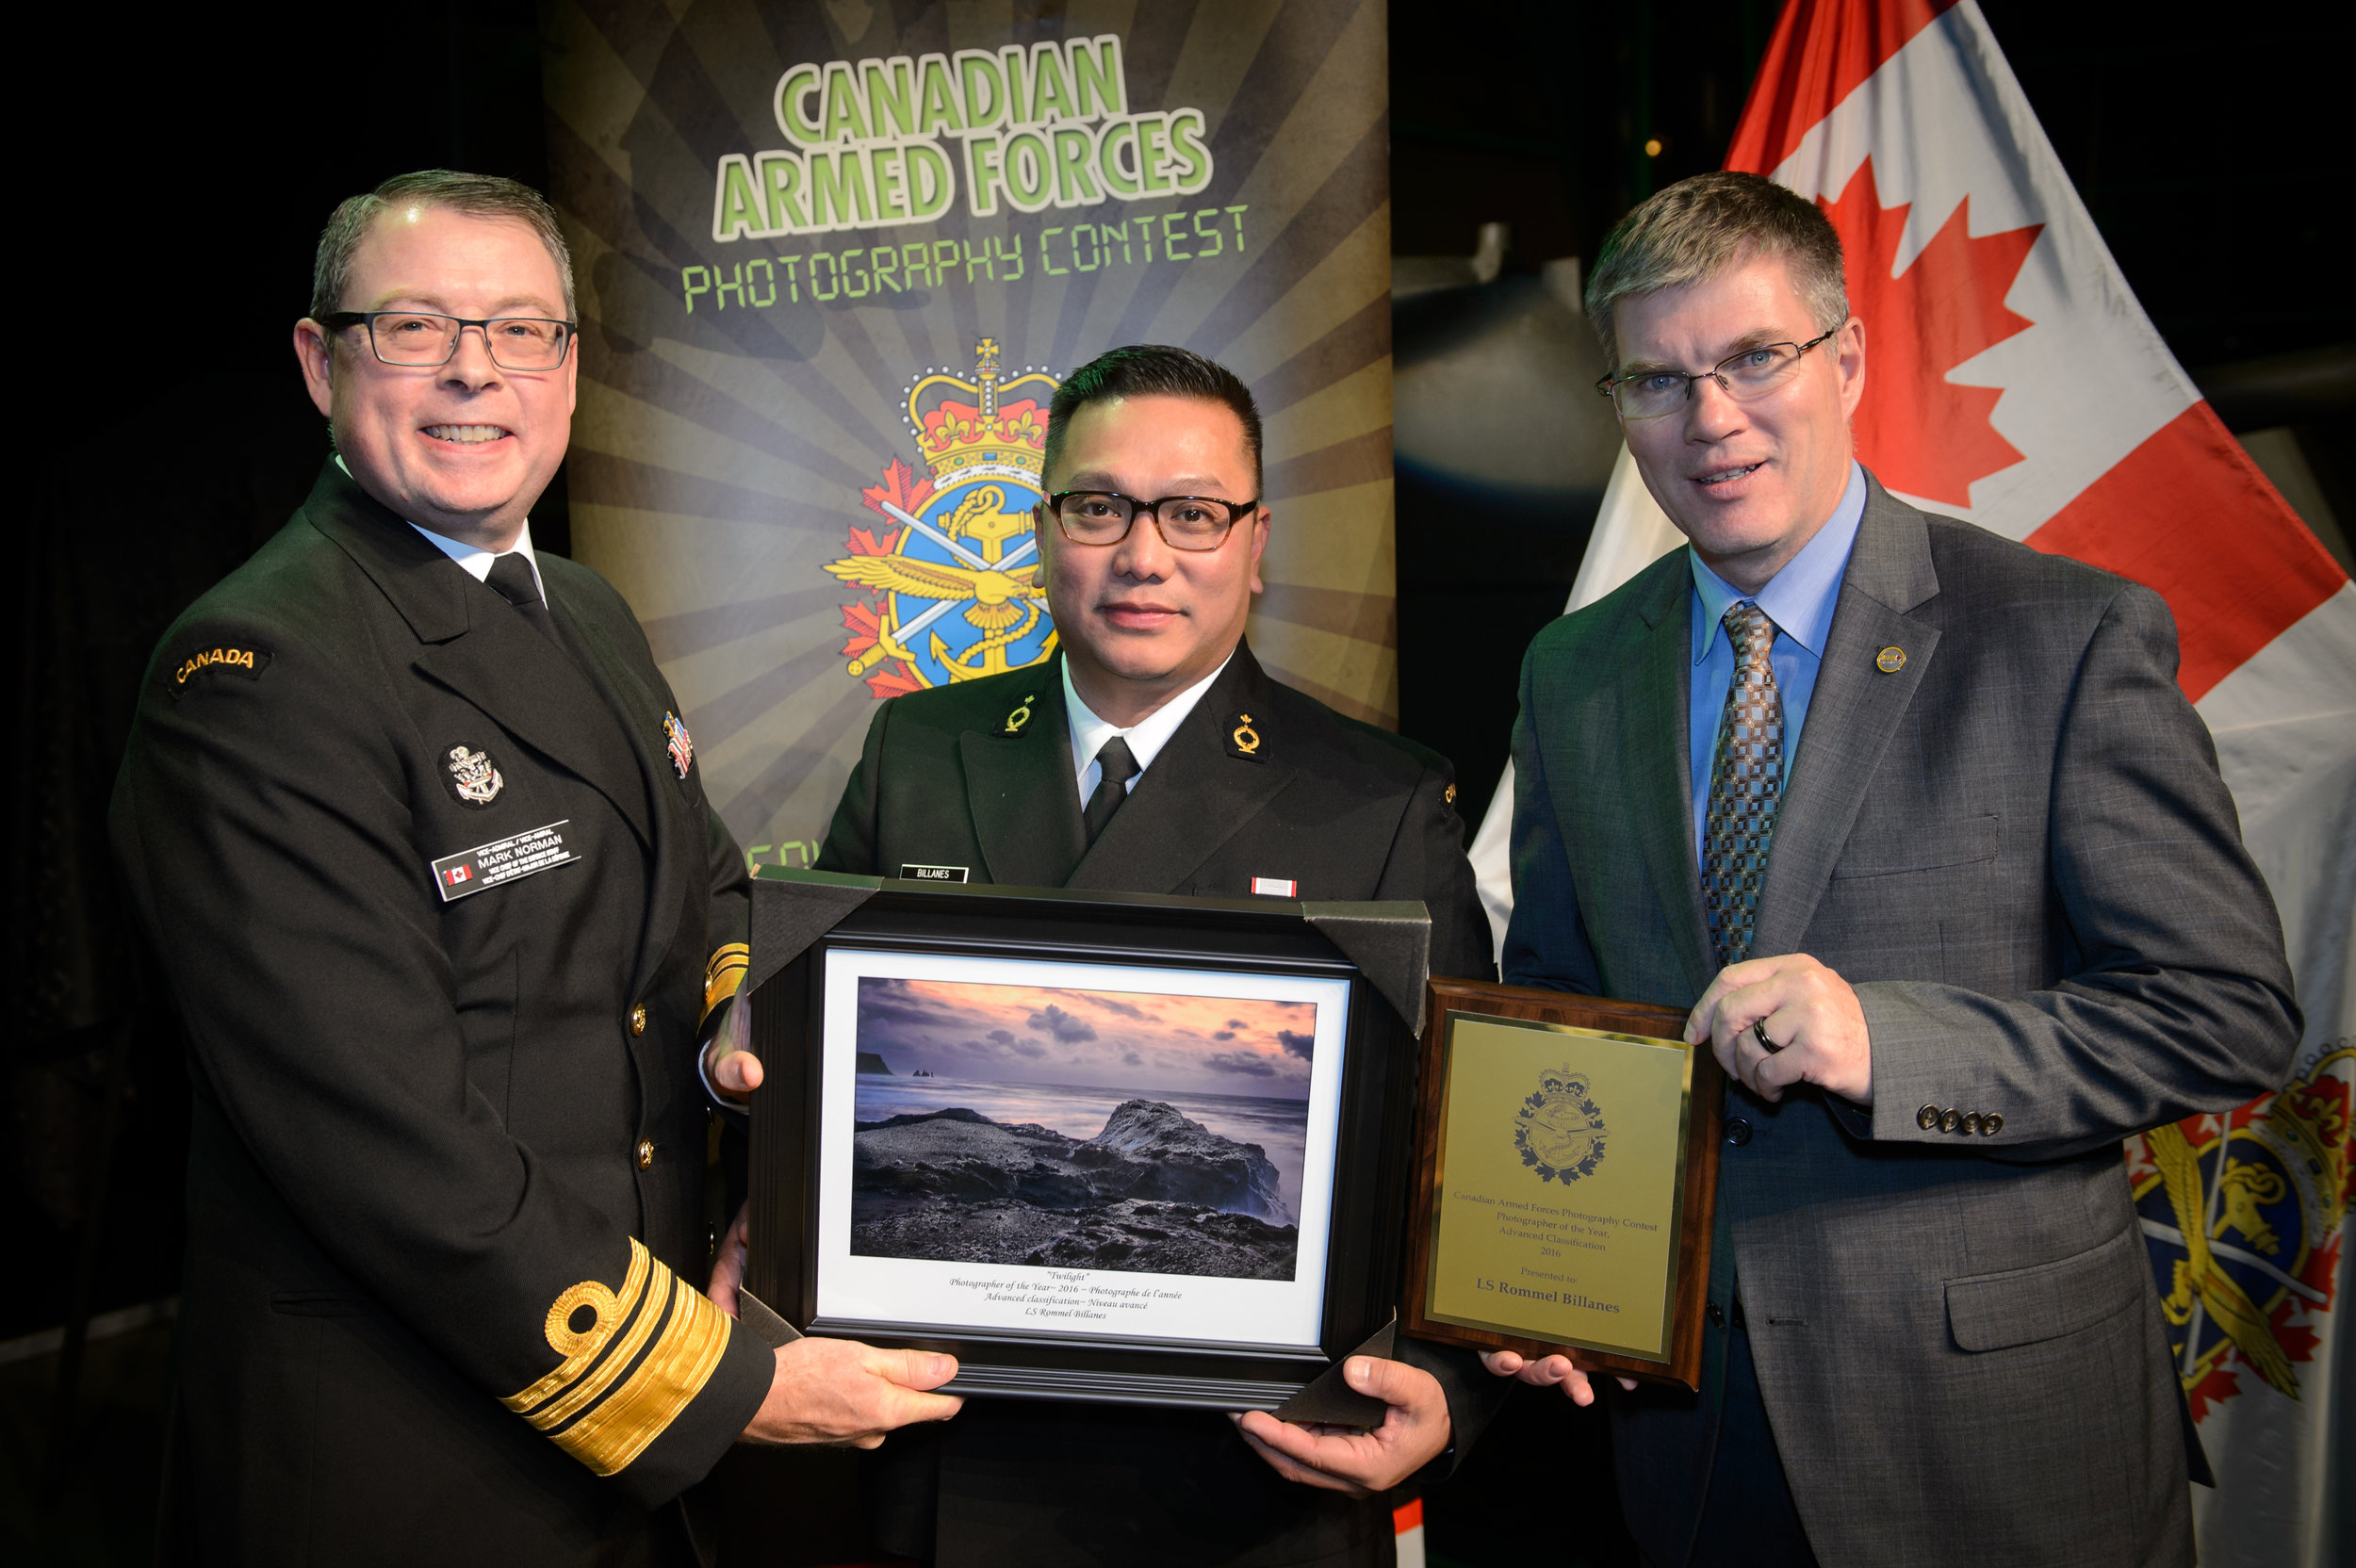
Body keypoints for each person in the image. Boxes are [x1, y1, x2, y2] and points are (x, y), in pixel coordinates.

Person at [110, 170, 959, 1568]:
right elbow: (391, 1145)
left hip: (607, 1428)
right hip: (407, 1448)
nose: (472, 371)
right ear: (321, 362)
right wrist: (715, 1379)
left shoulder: (588, 610)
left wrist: (743, 1033)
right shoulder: (257, 672)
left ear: (568, 372)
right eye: (414, 327)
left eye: (519, 331)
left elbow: (713, 890)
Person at [1488, 170, 2300, 1567]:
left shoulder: (2065, 635)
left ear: (1847, 357)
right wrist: (1556, 1270)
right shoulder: (1574, 668)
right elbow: (1568, 1003)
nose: (1713, 419)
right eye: (1658, 381)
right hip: (1687, 1433)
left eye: (1754, 359)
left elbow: (2226, 1011)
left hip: (1997, 1434)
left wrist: (1893, 1046)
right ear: (1618, 408)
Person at [715, 343, 1499, 1566]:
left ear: (1256, 539)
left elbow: (1471, 1162)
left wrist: (1449, 1394)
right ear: (1042, 531)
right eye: (1100, 508)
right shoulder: (925, 747)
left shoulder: (1377, 805)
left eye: (1193, 513)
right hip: (954, 1462)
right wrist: (769, 1222)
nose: (1144, 556)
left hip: (1250, 1492)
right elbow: (813, 1072)